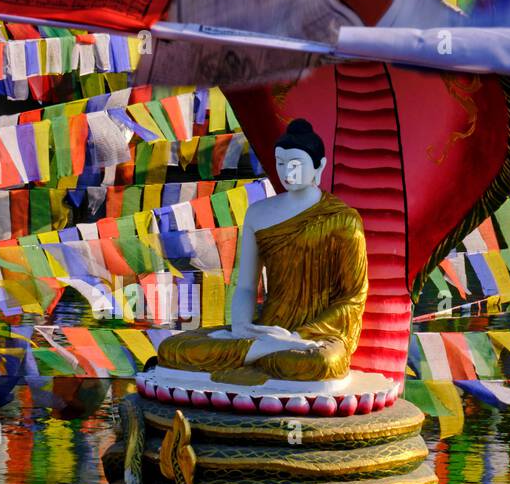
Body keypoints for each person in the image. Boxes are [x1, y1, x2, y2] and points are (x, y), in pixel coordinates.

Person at [156, 118, 368, 384]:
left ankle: (263, 352)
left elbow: (353, 297)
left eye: (295, 165)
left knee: (320, 362)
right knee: (174, 348)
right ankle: (264, 349)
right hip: (266, 328)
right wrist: (242, 327)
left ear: (319, 166)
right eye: (280, 164)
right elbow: (246, 286)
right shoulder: (258, 212)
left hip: (315, 337)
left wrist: (298, 337)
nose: (287, 173)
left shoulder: (344, 220)